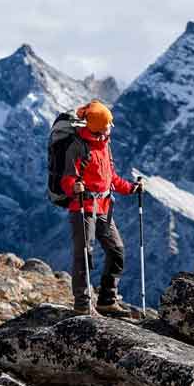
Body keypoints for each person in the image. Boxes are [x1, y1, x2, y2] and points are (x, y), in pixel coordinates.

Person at [60, 99, 142, 315]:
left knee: (117, 251)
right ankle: (82, 304)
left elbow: (110, 177)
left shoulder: (104, 144)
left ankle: (106, 301)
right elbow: (66, 180)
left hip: (104, 207)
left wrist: (131, 188)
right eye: (107, 123)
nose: (110, 127)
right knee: (84, 255)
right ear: (97, 125)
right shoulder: (78, 147)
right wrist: (74, 187)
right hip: (83, 208)